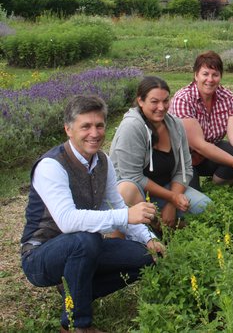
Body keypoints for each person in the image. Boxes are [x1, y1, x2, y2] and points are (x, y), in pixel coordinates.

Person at [20, 95, 165, 333]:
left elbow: (117, 205)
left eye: (99, 125)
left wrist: (148, 238)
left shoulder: (102, 161)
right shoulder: (51, 165)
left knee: (145, 257)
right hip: (40, 255)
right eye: (85, 126)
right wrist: (125, 217)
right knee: (84, 239)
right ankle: (77, 325)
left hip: (83, 248)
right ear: (68, 129)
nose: (94, 133)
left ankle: (76, 291)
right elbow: (68, 222)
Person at [110, 76, 212, 229]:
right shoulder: (132, 127)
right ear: (141, 101)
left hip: (166, 188)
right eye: (154, 102)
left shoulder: (175, 125)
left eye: (165, 101)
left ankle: (167, 227)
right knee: (130, 192)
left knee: (207, 208)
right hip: (137, 193)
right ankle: (150, 229)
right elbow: (133, 176)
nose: (161, 107)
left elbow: (184, 168)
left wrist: (172, 202)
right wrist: (173, 197)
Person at [169, 51, 233, 190]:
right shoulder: (183, 99)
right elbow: (199, 145)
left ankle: (218, 184)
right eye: (205, 74)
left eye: (215, 75)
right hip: (182, 158)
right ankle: (190, 183)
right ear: (196, 75)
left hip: (207, 155)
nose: (210, 79)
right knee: (193, 202)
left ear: (220, 76)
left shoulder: (227, 97)